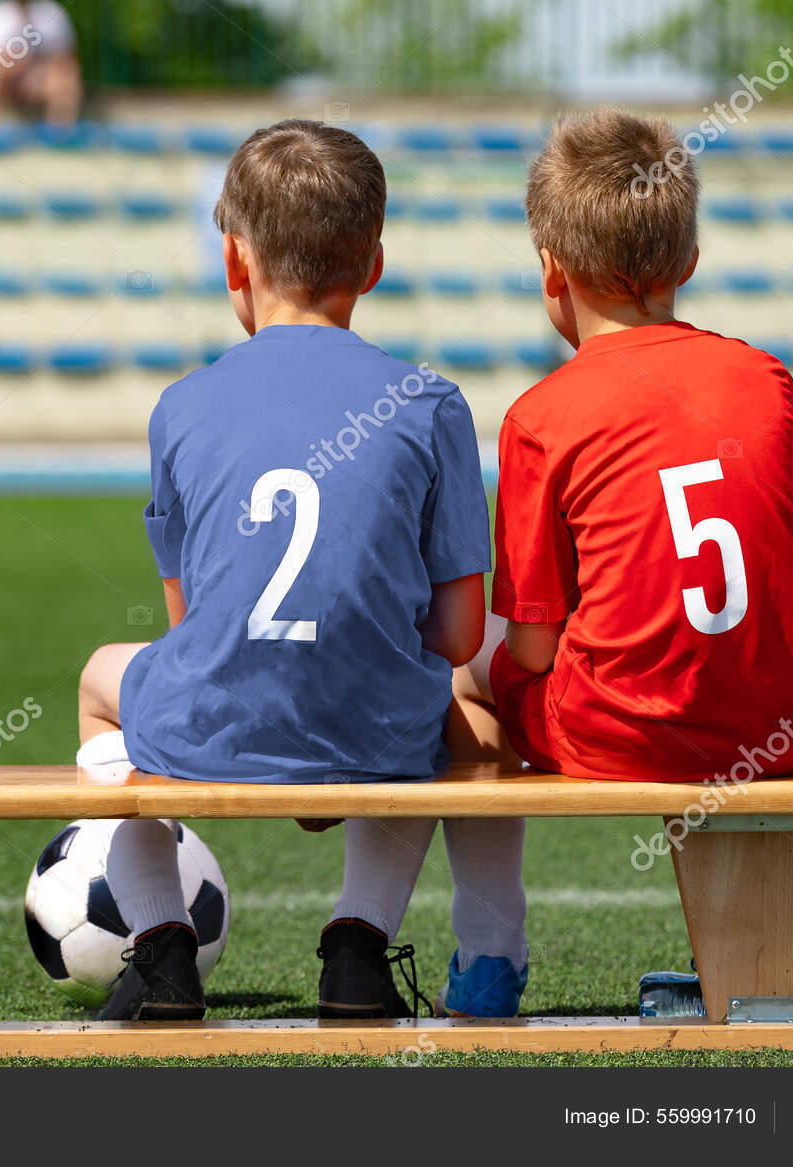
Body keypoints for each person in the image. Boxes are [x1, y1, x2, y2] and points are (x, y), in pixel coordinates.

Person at [73, 120, 524, 1022]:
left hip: (214, 722)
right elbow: (459, 636)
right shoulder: (429, 401)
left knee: (98, 678)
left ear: (234, 261)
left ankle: (162, 949)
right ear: (375, 263)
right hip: (378, 728)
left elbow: (187, 620)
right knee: (458, 705)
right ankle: (358, 944)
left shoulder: (182, 404)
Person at [433, 108, 793, 1006]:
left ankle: (491, 952)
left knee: (463, 668)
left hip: (624, 731)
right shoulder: (766, 377)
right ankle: (763, 963)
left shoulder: (543, 416)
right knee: (717, 666)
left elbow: (534, 651)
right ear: (688, 265)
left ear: (551, 271)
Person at [0, 1, 82, 127]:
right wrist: (14, 66)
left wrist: (35, 72)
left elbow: (65, 58)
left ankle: (61, 130)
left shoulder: (51, 12)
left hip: (36, 79)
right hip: (5, 81)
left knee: (65, 72)